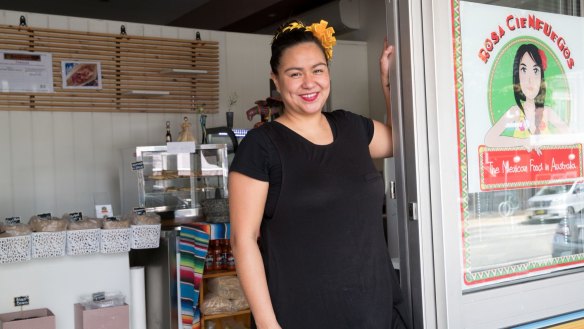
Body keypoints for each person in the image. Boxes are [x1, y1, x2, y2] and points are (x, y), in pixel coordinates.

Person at [228, 19, 408, 329]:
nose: (309, 83)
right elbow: (243, 241)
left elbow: (397, 141)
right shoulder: (262, 145)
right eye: (295, 74)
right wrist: (268, 325)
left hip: (377, 312)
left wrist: (387, 84)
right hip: (304, 316)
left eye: (318, 70)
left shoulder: (351, 127)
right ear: (275, 79)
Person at [484, 43, 569, 152]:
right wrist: (522, 141)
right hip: (520, 167)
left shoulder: (547, 112)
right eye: (524, 70)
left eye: (535, 71)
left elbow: (570, 136)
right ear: (517, 76)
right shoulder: (515, 112)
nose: (530, 79)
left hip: (546, 166)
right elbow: (489, 139)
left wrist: (545, 141)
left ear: (541, 77)